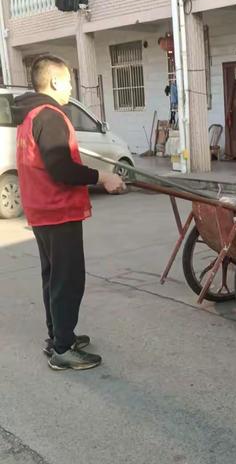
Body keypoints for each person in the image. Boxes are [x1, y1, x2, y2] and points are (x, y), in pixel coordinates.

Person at [14, 55, 125, 370]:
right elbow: (61, 167)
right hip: (57, 210)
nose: (71, 88)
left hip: (41, 210)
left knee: (53, 278)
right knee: (67, 279)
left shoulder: (29, 115)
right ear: (55, 82)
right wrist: (103, 177)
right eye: (69, 82)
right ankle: (63, 349)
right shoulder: (49, 116)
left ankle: (58, 337)